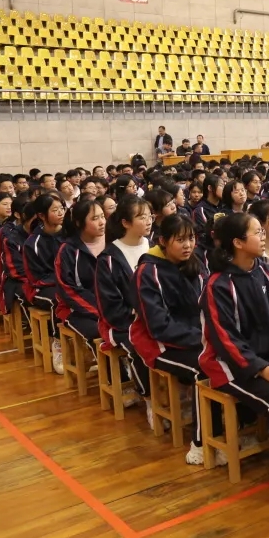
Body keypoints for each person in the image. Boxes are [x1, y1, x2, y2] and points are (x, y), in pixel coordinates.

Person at [199, 212, 269, 497]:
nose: (264, 237)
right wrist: (261, 368)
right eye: (257, 232)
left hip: (268, 358)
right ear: (237, 242)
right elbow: (226, 339)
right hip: (229, 366)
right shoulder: (217, 285)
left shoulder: (268, 274)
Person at [129, 214, 210, 461]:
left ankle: (230, 427)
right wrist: (203, 339)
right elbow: (159, 326)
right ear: (163, 241)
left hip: (195, 337)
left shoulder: (196, 264)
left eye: (191, 238)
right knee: (204, 368)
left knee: (232, 358)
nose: (188, 245)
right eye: (180, 240)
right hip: (159, 343)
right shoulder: (148, 271)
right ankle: (200, 443)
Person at [96, 195, 153, 404]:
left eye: (149, 216)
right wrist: (137, 315)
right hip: (124, 322)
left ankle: (179, 394)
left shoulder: (154, 246)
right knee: (141, 345)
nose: (148, 221)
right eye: (141, 217)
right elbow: (110, 305)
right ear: (126, 223)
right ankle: (149, 398)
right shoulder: (109, 258)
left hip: (155, 317)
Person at [55, 198, 107, 364]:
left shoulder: (113, 242)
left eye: (103, 216)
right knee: (100, 330)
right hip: (77, 309)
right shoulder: (67, 251)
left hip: (111, 305)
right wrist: (101, 311)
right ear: (79, 223)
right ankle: (115, 375)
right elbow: (68, 291)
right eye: (95, 218)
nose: (102, 222)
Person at [23, 194, 67, 373]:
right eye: (55, 210)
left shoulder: (70, 234)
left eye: (62, 208)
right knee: (58, 299)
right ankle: (57, 343)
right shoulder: (33, 243)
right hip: (41, 287)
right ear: (41, 215)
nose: (61, 213)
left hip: (67, 282)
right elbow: (36, 277)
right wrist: (63, 281)